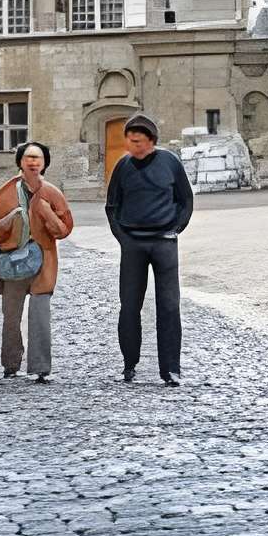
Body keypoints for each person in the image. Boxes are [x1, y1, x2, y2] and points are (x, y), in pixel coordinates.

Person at [102, 114, 194, 383]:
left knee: (169, 305)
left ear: (151, 141)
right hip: (133, 244)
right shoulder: (123, 166)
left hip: (164, 243)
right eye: (130, 141)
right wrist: (123, 238)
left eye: (138, 142)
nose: (133, 146)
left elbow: (185, 200)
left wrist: (175, 229)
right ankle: (129, 363)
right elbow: (112, 206)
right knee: (129, 305)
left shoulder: (170, 163)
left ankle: (171, 370)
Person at [0, 143, 75, 382]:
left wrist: (45, 212)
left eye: (38, 158)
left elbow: (64, 229)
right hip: (13, 261)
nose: (33, 162)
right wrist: (10, 218)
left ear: (45, 163)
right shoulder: (5, 193)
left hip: (44, 261)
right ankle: (11, 364)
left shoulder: (52, 193)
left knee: (40, 314)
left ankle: (41, 367)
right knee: (11, 315)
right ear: (20, 162)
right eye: (28, 157)